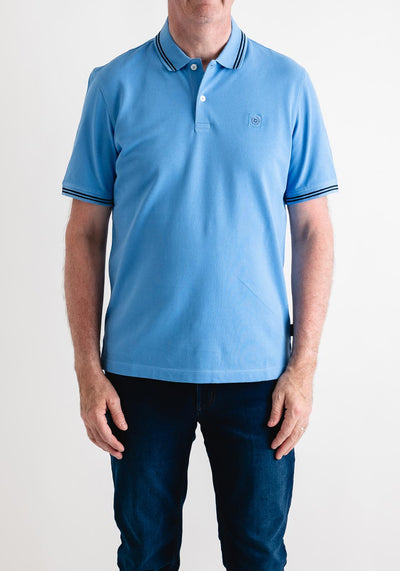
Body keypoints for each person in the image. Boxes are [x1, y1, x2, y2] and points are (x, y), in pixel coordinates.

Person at [61, 1, 339, 569]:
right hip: (139, 379)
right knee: (145, 558)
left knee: (258, 558)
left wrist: (304, 368)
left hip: (260, 379)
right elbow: (85, 233)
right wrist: (88, 372)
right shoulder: (113, 85)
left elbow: (313, 230)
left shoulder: (288, 85)